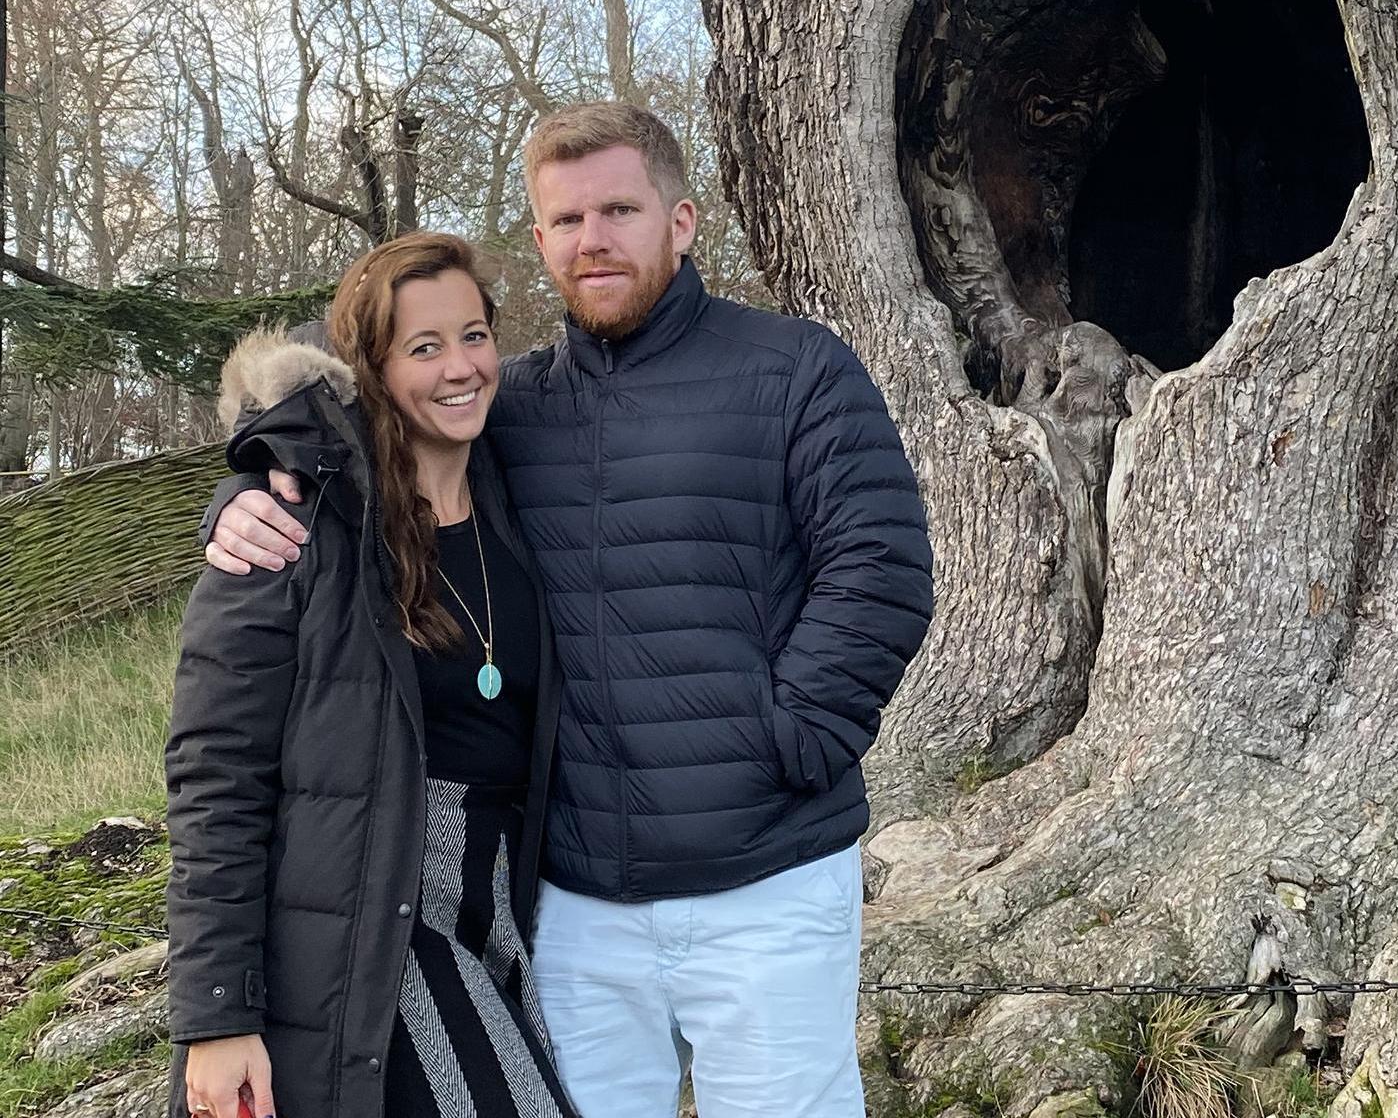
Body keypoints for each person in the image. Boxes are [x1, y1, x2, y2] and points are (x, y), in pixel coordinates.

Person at [204, 102, 934, 1118]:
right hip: (576, 905)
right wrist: (245, 485)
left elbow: (881, 571)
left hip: (765, 883)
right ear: (539, 238)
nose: (592, 239)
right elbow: (358, 405)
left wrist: (789, 740)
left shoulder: (795, 369)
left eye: (619, 209)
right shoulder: (512, 404)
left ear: (681, 221)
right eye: (564, 219)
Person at [168, 232, 573, 1118]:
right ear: (373, 368)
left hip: (499, 909)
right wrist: (215, 1015)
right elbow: (215, 779)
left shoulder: (514, 491)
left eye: (474, 335)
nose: (459, 367)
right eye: (422, 348)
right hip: (372, 913)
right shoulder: (292, 528)